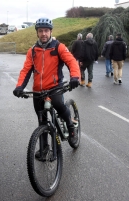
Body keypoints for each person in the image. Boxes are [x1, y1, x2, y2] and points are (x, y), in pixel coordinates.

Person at [12, 17, 80, 147]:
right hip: (38, 91)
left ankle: (71, 128)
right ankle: (44, 148)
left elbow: (71, 61)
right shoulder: (32, 51)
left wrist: (75, 77)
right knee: (41, 119)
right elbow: (26, 70)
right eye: (41, 31)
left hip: (55, 87)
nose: (44, 33)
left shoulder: (58, 47)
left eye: (46, 31)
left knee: (59, 105)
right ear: (37, 32)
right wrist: (19, 86)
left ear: (51, 32)